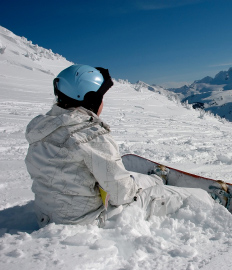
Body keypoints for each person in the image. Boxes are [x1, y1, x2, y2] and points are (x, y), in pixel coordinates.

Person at [25, 64, 216, 228]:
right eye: (101, 96)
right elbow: (122, 194)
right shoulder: (89, 135)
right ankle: (212, 200)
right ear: (90, 99)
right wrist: (138, 192)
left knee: (132, 180)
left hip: (47, 217)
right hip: (85, 221)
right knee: (162, 196)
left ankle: (155, 181)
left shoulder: (42, 130)